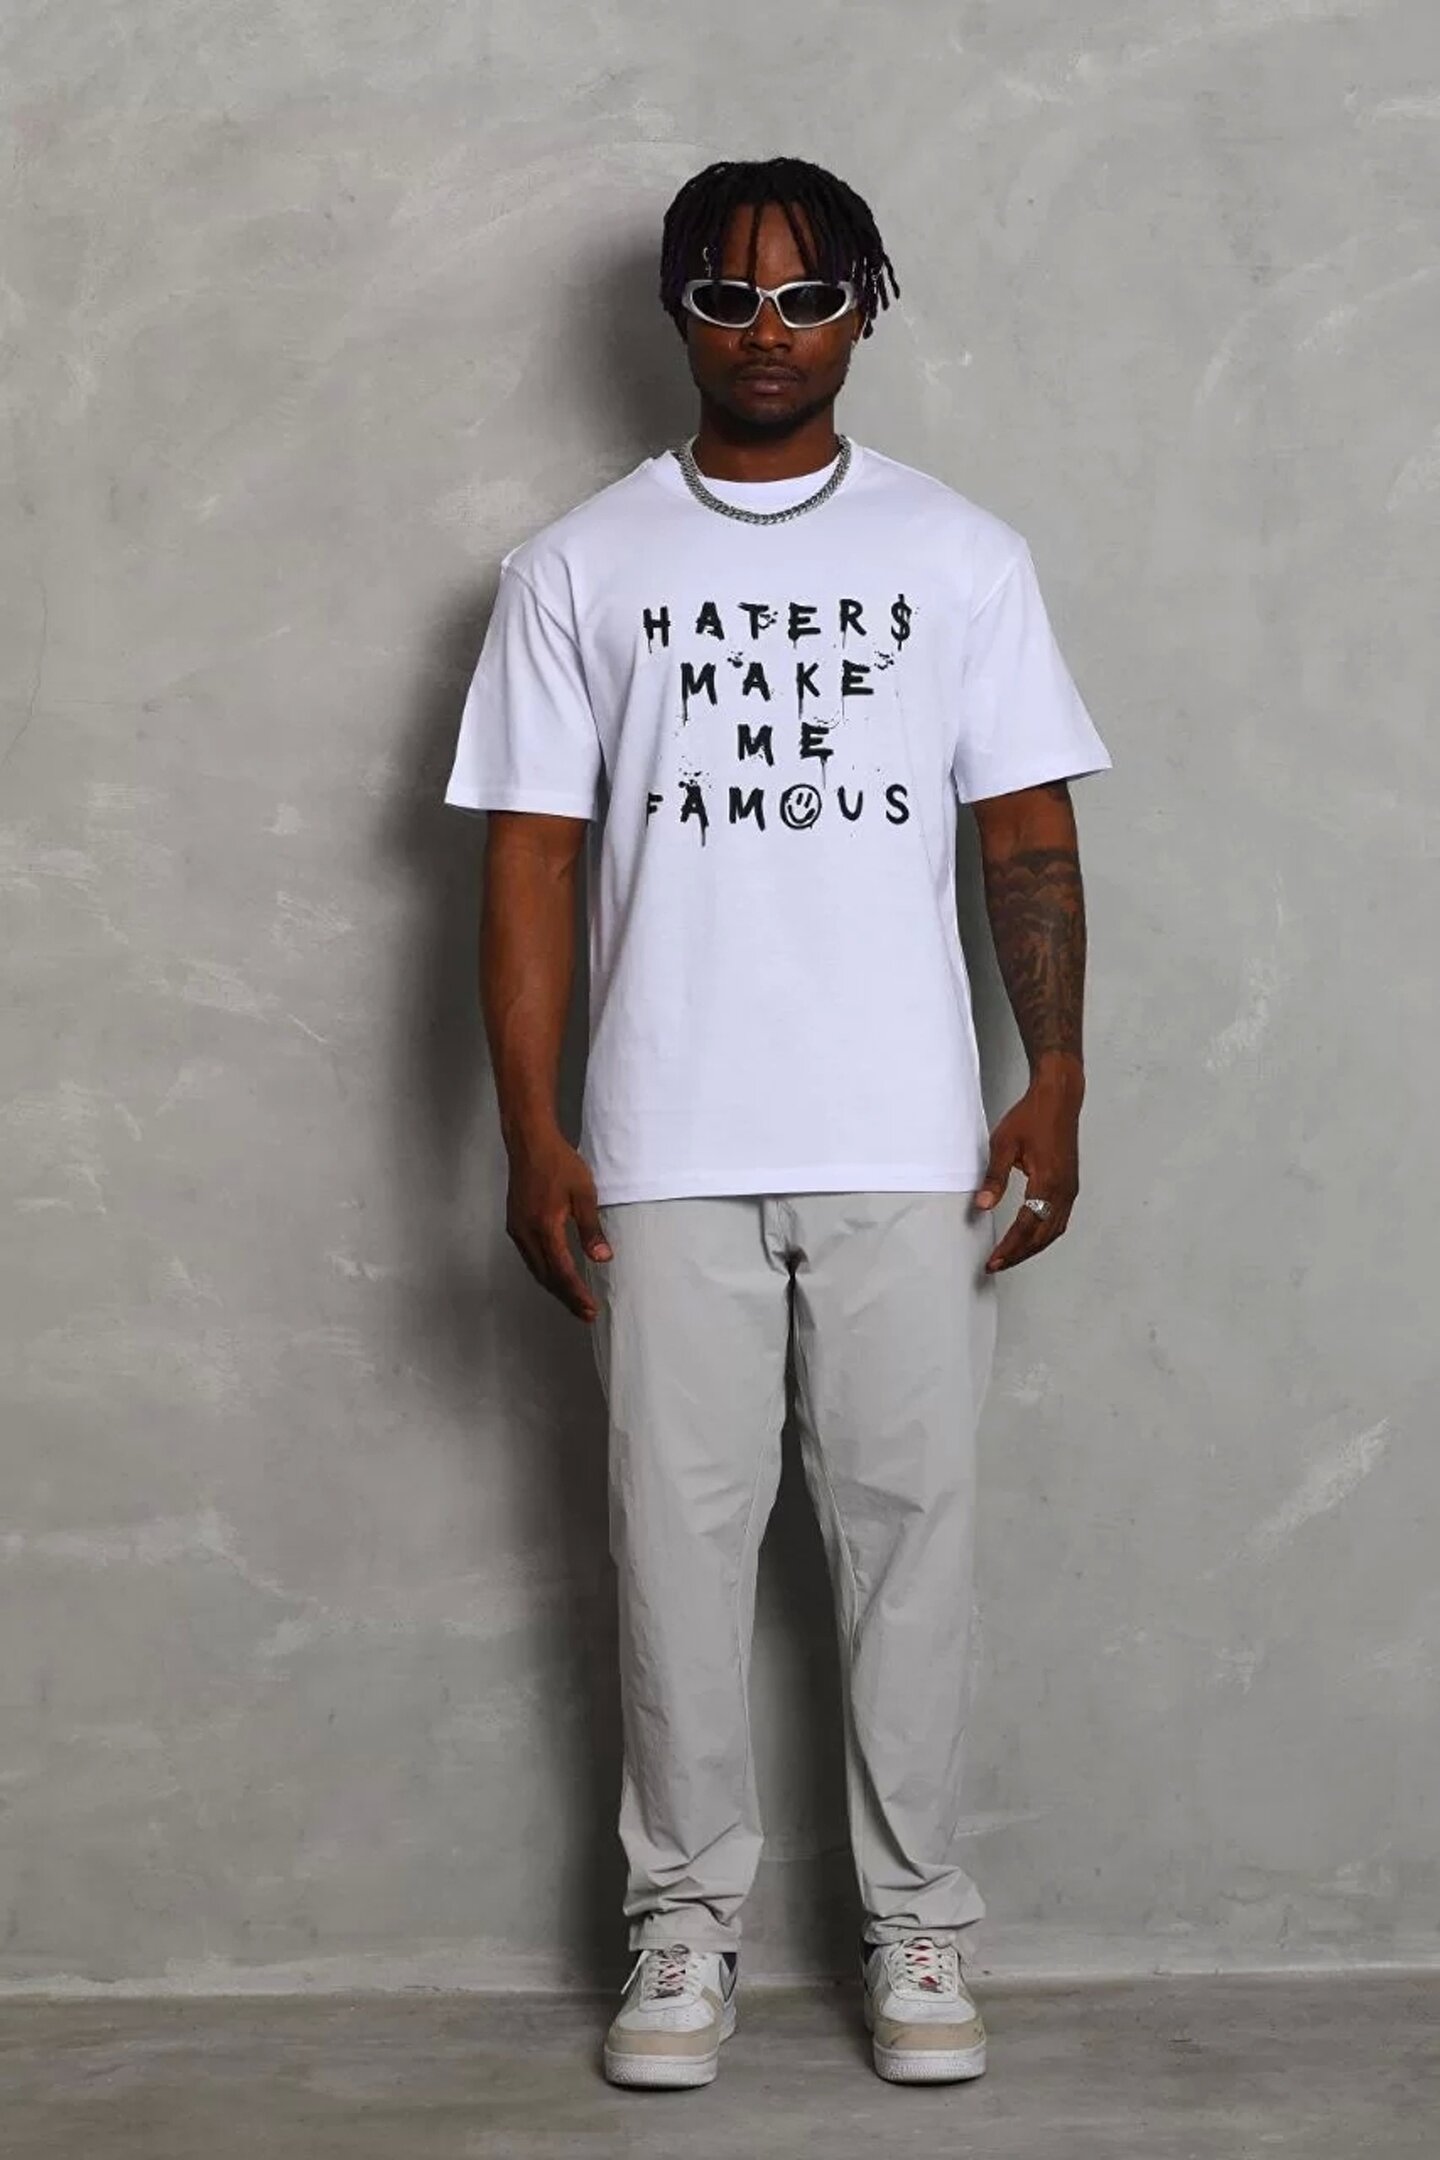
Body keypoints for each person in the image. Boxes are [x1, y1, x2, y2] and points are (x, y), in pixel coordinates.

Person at [444, 155, 1113, 2092]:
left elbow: (1026, 831)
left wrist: (1058, 1075)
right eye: (727, 297)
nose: (767, 333)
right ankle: (681, 1930)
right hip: (662, 1142)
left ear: (862, 310)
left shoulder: (959, 554)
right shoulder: (578, 568)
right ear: (677, 310)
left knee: (915, 1547)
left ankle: (919, 1931)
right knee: (672, 1550)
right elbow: (527, 867)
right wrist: (532, 1130)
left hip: (910, 1139)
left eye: (808, 297)